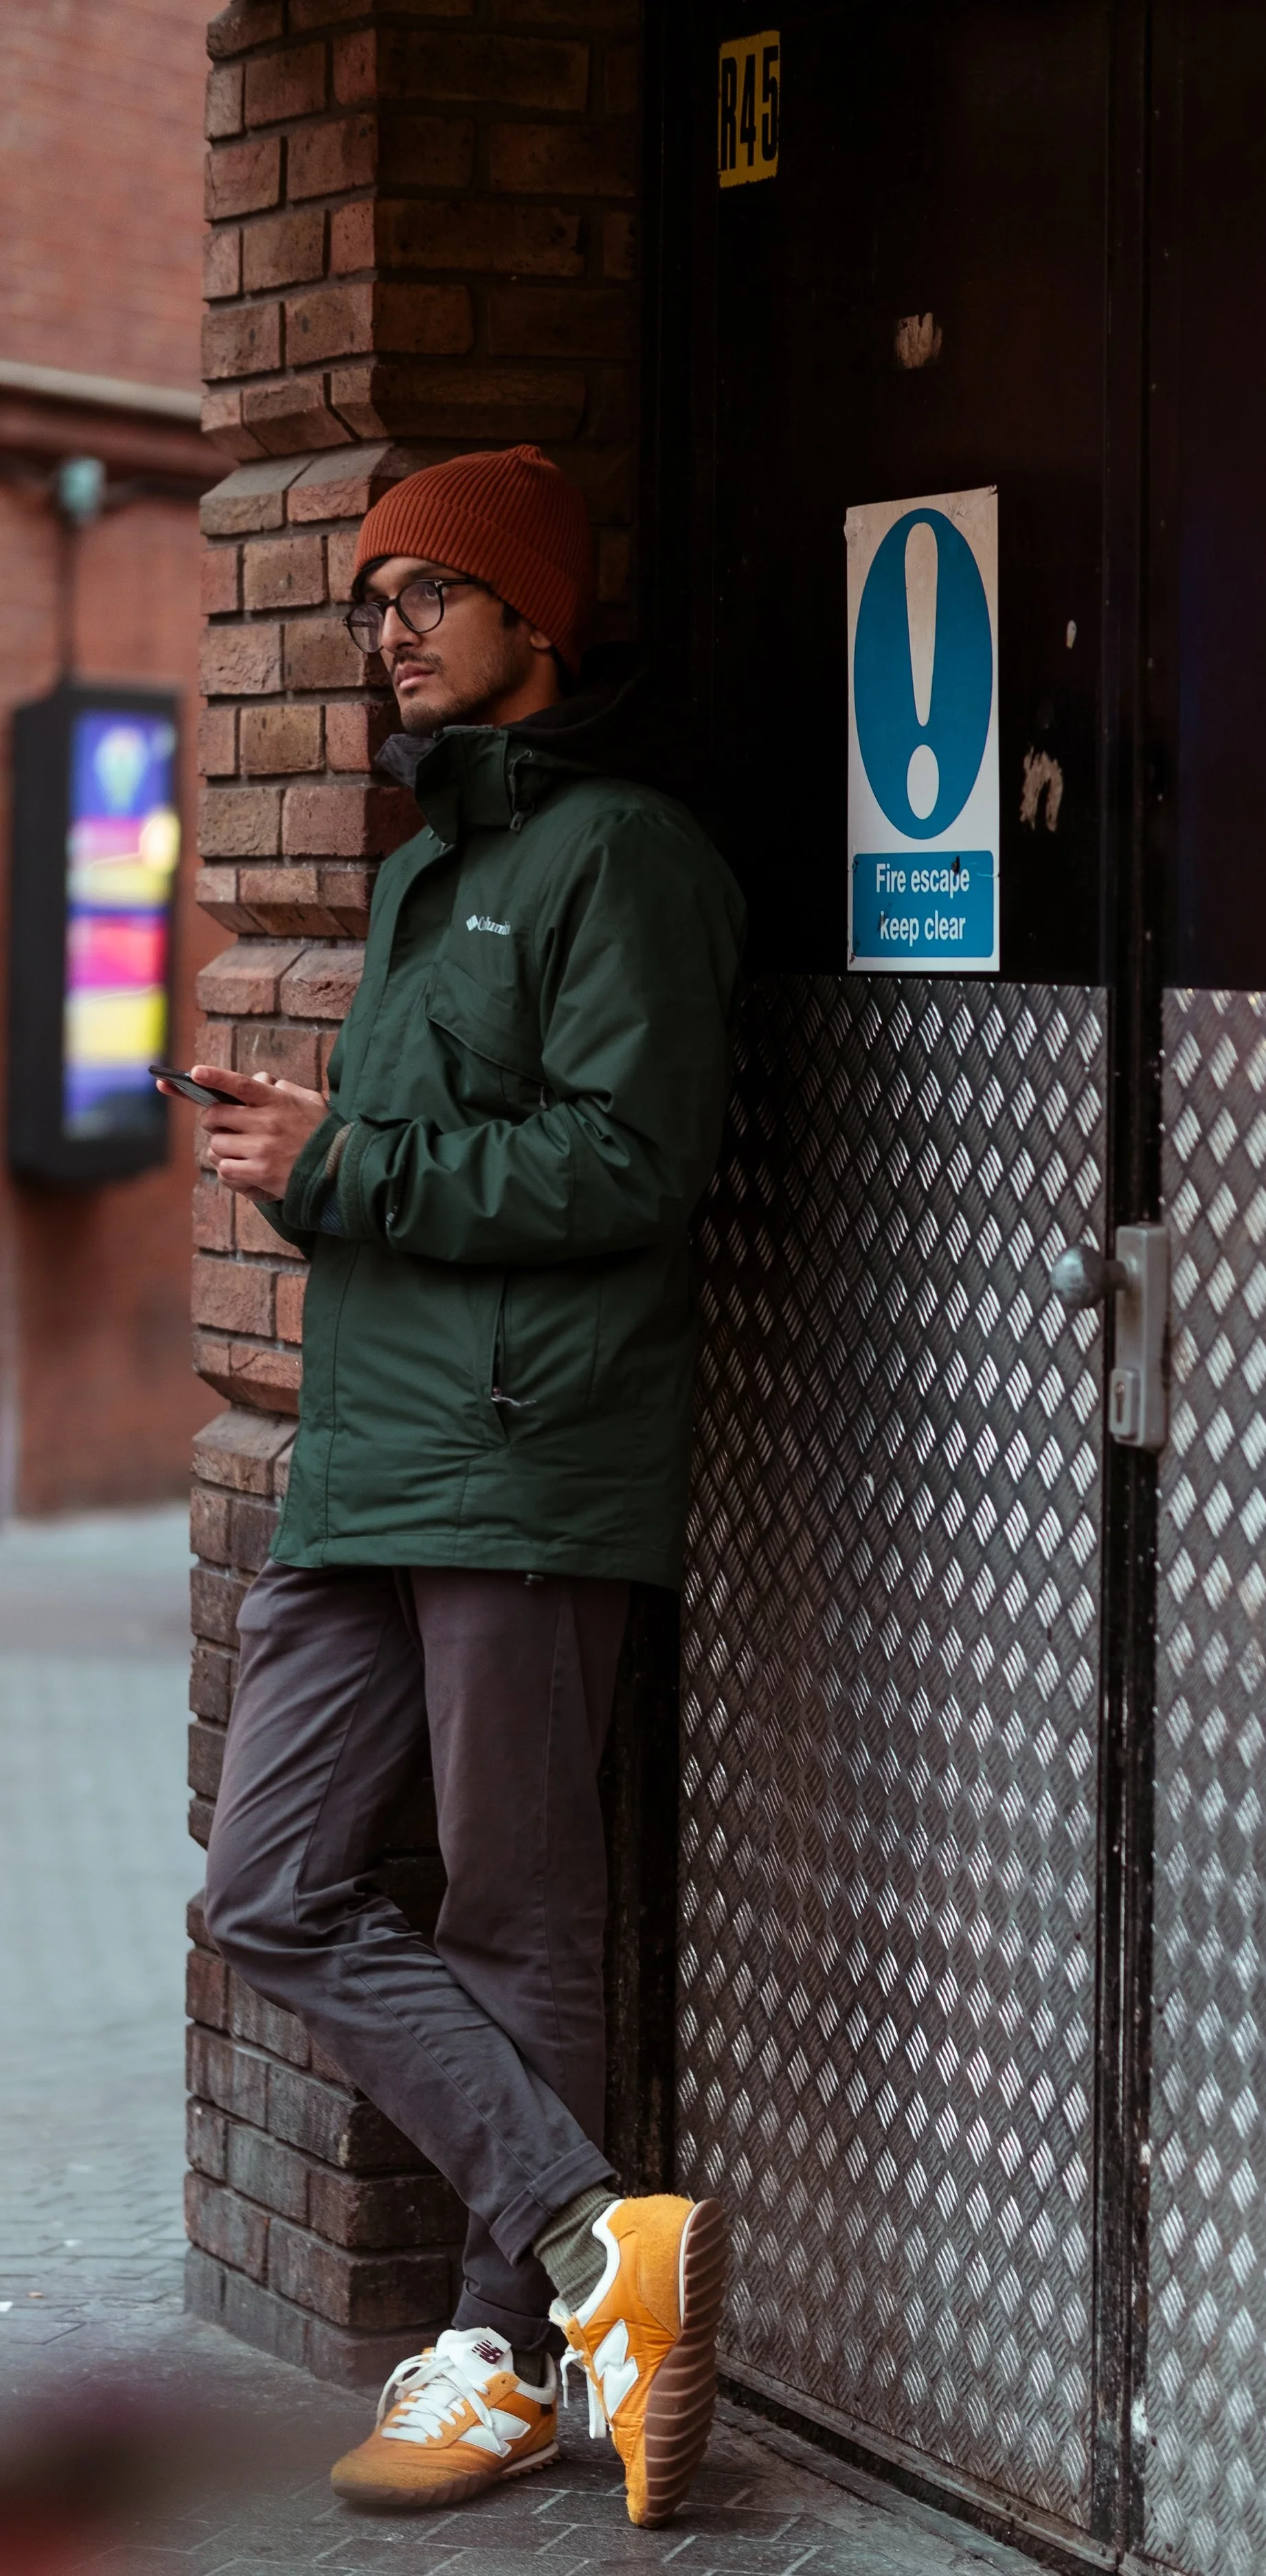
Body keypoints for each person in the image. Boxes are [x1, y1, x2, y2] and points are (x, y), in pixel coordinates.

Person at [187, 445, 745, 2527]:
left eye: (431, 591)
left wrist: (348, 1165)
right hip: (372, 1448)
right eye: (370, 600)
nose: (391, 629)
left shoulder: (630, 860)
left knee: (515, 1908)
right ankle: (606, 2240)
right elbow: (443, 1153)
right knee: (269, 1879)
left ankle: (505, 2354)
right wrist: (319, 1139)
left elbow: (626, 1163)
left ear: (538, 618)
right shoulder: (431, 871)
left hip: (524, 1450)